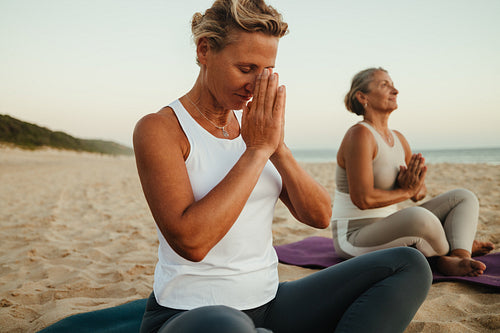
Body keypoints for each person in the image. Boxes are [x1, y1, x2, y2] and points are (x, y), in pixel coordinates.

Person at [133, 2, 431, 332]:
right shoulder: (160, 129)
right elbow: (192, 243)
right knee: (230, 324)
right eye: (245, 68)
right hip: (190, 312)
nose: (255, 84)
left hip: (269, 303)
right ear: (204, 51)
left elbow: (319, 216)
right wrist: (257, 150)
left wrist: (278, 147)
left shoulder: (258, 130)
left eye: (265, 72)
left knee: (408, 264)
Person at [332, 67, 495, 277]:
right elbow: (362, 199)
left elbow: (419, 193)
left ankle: (458, 256)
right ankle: (453, 247)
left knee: (464, 197)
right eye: (384, 85)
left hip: (391, 225)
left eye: (392, 84)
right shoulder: (359, 134)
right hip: (354, 236)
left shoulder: (398, 138)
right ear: (362, 97)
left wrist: (414, 185)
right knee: (419, 217)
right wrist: (407, 191)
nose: (395, 90)